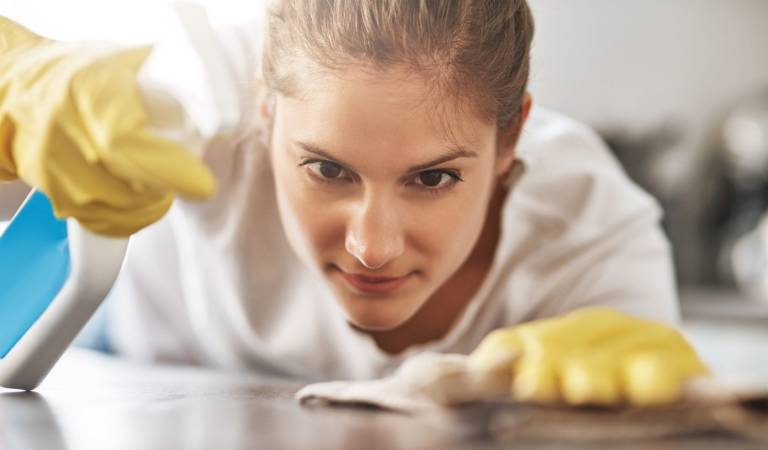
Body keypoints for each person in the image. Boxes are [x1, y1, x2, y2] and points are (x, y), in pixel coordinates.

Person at [0, 0, 706, 406]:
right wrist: (17, 81)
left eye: (432, 179)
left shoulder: (591, 232)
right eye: (328, 169)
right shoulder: (196, 102)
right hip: (126, 345)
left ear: (511, 135)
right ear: (264, 110)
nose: (373, 247)